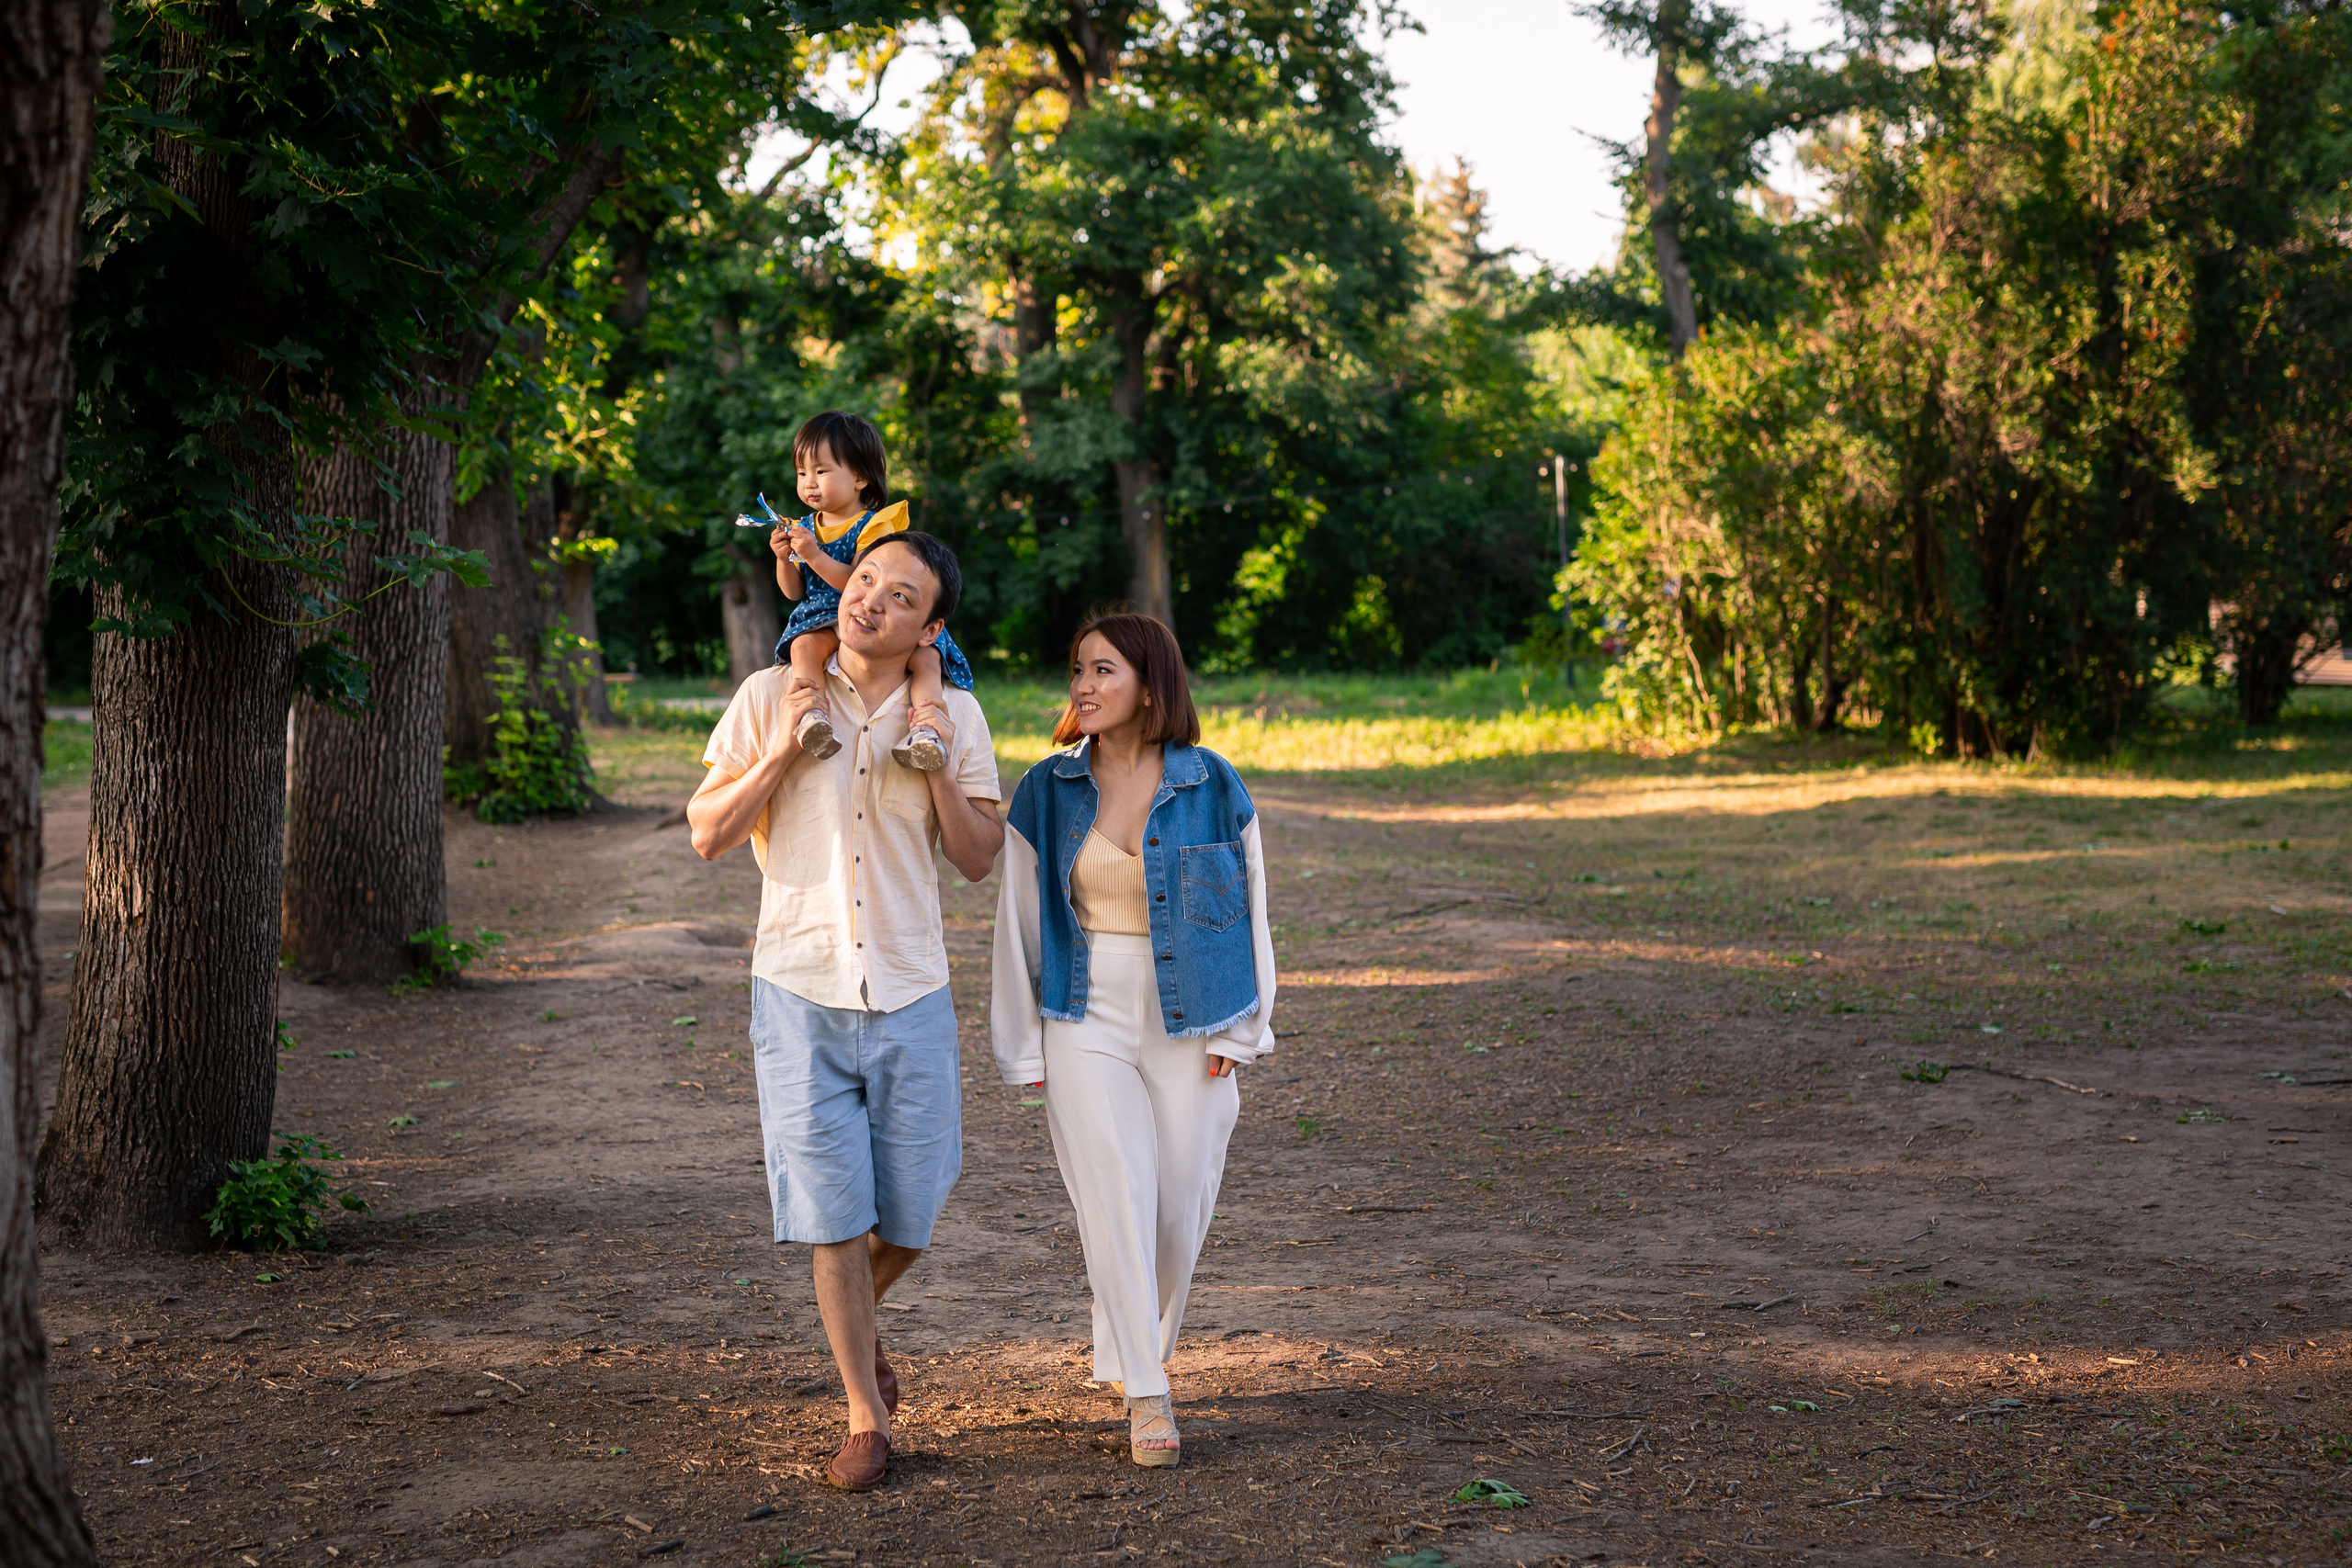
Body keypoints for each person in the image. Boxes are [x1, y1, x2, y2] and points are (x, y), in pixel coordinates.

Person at [687, 530, 1003, 1492]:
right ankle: (865, 1413)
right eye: (863, 580)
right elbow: (707, 834)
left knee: (908, 1216)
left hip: (910, 986)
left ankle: (851, 1324)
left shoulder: (953, 713)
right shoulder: (766, 697)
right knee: (833, 1219)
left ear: (928, 625)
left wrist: (942, 765)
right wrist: (783, 749)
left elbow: (980, 856)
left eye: (898, 595)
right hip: (797, 987)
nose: (869, 600)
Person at [989, 613, 1276, 1468]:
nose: (1082, 685)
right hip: (1086, 1011)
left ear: (1151, 685)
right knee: (1115, 1189)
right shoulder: (1047, 788)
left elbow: (1251, 910)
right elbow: (1019, 922)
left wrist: (1242, 1025)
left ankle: (1132, 1352)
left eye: (1103, 670)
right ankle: (1149, 1392)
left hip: (1196, 1013)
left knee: (1177, 1204)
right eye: (1077, 668)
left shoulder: (1214, 784)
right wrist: (1025, 1043)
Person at [764, 411, 976, 772]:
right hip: (820, 616)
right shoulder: (801, 526)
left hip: (868, 611)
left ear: (860, 477)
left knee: (926, 658)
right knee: (803, 646)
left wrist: (812, 553)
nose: (809, 483)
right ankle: (812, 716)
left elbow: (861, 585)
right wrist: (785, 559)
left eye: (821, 471)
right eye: (802, 473)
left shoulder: (875, 524)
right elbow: (793, 592)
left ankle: (927, 730)